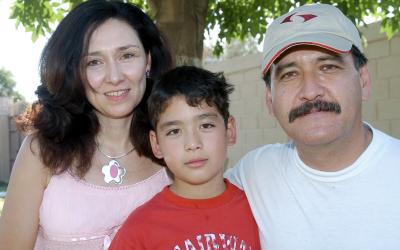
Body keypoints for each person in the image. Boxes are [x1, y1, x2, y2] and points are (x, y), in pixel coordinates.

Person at [225, 3, 400, 250]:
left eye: (328, 67)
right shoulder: (253, 175)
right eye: (290, 74)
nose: (310, 91)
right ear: (269, 100)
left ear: (363, 81)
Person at [0, 0, 173, 249]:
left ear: (147, 61)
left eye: (127, 55)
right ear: (75, 72)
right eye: (94, 62)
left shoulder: (175, 147)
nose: (114, 77)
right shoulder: (42, 152)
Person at [109, 66, 261, 249]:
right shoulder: (139, 230)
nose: (192, 143)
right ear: (156, 144)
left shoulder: (259, 212)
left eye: (206, 126)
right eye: (174, 131)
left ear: (229, 131)